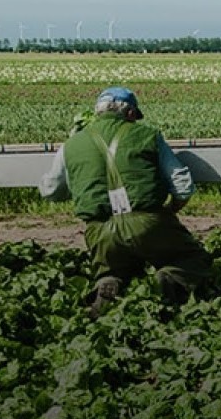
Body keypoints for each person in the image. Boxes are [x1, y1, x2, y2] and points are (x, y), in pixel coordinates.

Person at [38, 86, 211, 316]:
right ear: (130, 113)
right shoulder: (148, 135)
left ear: (98, 112)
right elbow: (182, 185)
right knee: (192, 258)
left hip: (99, 229)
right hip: (147, 220)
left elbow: (51, 191)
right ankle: (167, 281)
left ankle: (107, 284)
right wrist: (171, 209)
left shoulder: (71, 145)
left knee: (115, 267)